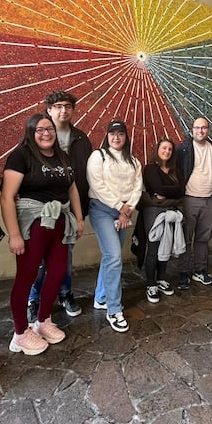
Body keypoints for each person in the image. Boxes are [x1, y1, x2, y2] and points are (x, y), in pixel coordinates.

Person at [0, 114, 84, 355]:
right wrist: (14, 234)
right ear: (30, 131)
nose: (46, 133)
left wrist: (79, 218)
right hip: (33, 224)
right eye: (40, 129)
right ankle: (20, 333)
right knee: (26, 276)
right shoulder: (21, 155)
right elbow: (6, 197)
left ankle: (43, 320)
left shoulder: (62, 156)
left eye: (50, 129)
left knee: (57, 272)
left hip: (60, 222)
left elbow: (72, 188)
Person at [28, 91, 92, 320]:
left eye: (68, 106)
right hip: (40, 209)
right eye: (58, 106)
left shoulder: (81, 139)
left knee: (64, 256)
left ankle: (65, 294)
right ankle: (33, 298)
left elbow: (84, 176)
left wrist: (81, 213)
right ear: (49, 109)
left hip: (69, 209)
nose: (63, 110)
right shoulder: (37, 135)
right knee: (38, 258)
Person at [87, 120, 142, 332]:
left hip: (124, 213)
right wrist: (121, 207)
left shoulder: (134, 161)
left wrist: (128, 208)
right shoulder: (98, 156)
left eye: (120, 134)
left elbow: (137, 187)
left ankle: (101, 298)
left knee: (111, 256)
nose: (116, 137)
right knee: (114, 256)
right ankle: (114, 309)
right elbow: (97, 185)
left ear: (126, 137)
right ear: (107, 136)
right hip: (102, 209)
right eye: (112, 133)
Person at [175, 117, 212, 289]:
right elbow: (175, 172)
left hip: (209, 201)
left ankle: (199, 270)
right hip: (188, 199)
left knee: (203, 239)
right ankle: (183, 272)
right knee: (185, 238)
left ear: (208, 130)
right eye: (197, 128)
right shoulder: (183, 148)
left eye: (204, 128)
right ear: (192, 129)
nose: (200, 131)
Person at [141, 138, 185, 303]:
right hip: (153, 211)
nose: (167, 151)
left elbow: (182, 190)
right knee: (153, 247)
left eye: (170, 149)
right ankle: (151, 284)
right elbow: (158, 188)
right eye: (164, 148)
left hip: (170, 212)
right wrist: (173, 191)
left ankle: (161, 278)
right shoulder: (151, 168)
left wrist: (167, 193)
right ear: (158, 149)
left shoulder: (175, 170)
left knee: (166, 244)